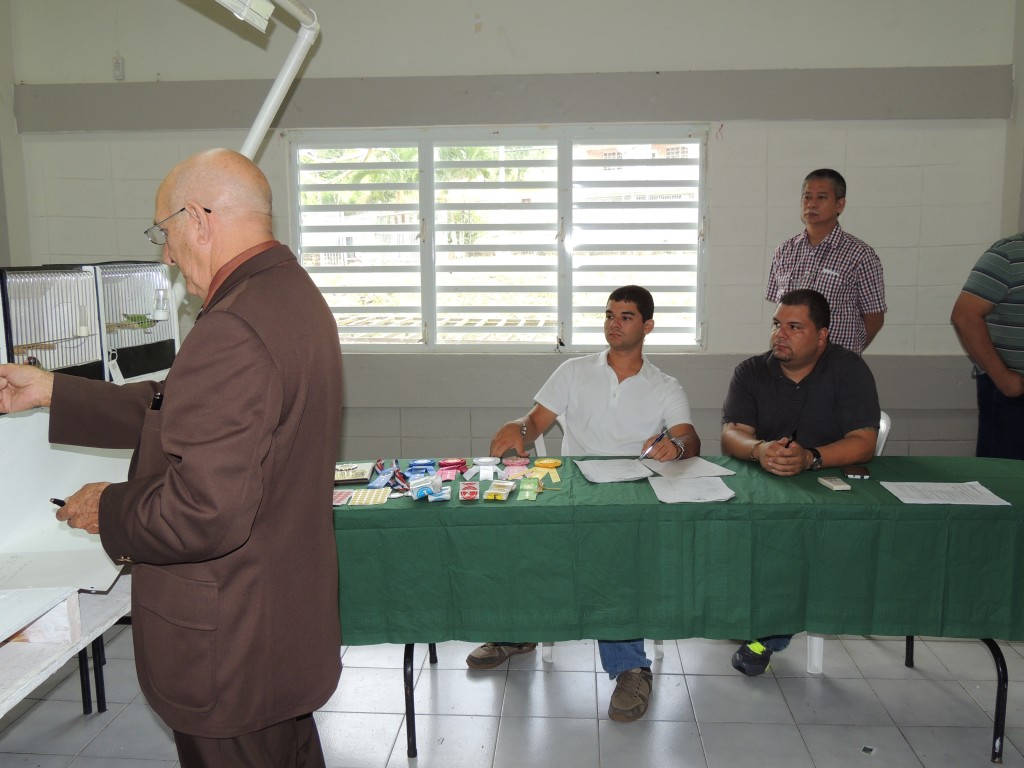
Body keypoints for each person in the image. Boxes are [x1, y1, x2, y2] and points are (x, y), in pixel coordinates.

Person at [0, 149, 343, 767]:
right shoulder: (290, 297)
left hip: (230, 650)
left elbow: (204, 512)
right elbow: (185, 406)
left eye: (164, 232)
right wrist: (55, 390)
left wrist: (109, 506)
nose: (165, 253)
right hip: (276, 629)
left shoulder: (233, 327)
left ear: (199, 219)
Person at [473, 284, 701, 723]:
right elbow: (535, 421)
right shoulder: (575, 371)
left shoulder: (665, 385)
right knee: (517, 535)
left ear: (648, 326)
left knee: (612, 559)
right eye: (609, 314)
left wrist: (675, 443)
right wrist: (516, 428)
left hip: (632, 493)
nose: (614, 323)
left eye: (626, 316)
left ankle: (631, 668)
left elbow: (689, 437)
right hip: (571, 484)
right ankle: (517, 632)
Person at [721, 288, 879, 675]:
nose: (780, 335)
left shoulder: (849, 369)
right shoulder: (752, 370)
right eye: (777, 325)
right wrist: (760, 450)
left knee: (803, 547)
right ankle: (739, 611)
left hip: (826, 486)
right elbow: (732, 433)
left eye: (794, 327)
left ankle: (767, 636)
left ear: (822, 335)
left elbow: (864, 442)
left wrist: (812, 458)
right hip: (762, 484)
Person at [766, 168, 886, 354]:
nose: (811, 204)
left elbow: (875, 317)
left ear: (840, 205)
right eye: (807, 197)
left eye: (821, 198)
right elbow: (779, 310)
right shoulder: (784, 251)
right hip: (790, 363)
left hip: (836, 364)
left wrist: (847, 355)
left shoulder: (860, 255)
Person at [950, 232, 1024, 460]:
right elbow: (965, 316)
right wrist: (1004, 379)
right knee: (1005, 481)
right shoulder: (1009, 254)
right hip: (1014, 394)